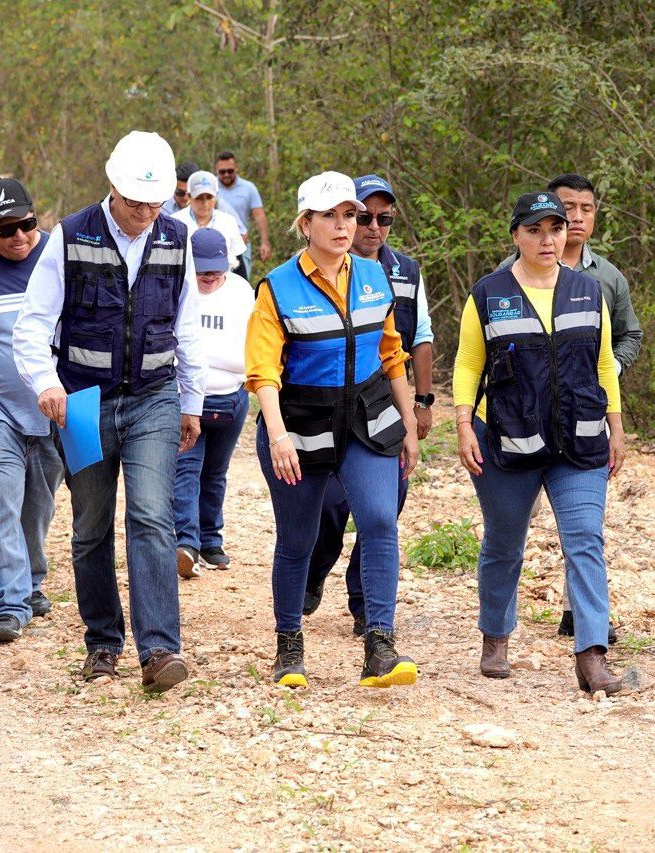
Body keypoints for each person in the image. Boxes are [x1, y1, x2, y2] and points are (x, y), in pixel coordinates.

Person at [13, 131, 204, 692]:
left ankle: (159, 650)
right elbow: (32, 323)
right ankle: (102, 643)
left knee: (151, 515)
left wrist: (191, 402)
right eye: (135, 202)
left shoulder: (177, 239)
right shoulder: (70, 236)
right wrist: (46, 383)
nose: (145, 214)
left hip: (154, 397)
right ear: (112, 189)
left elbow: (187, 325)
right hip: (82, 402)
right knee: (91, 525)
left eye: (155, 203)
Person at [246, 170, 420, 689]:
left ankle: (380, 646)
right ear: (306, 224)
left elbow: (392, 354)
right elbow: (263, 372)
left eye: (350, 215)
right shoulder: (277, 287)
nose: (345, 226)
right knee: (299, 537)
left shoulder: (374, 276)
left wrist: (410, 424)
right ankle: (289, 646)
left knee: (380, 521)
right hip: (300, 425)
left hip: (367, 419)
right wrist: (278, 435)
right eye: (330, 216)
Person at [454, 191, 626, 694]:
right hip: (507, 437)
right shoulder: (488, 294)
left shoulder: (588, 291)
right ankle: (495, 637)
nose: (547, 239)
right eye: (535, 230)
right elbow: (468, 363)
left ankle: (592, 655)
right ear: (516, 236)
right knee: (504, 541)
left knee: (585, 540)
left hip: (579, 439)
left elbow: (603, 363)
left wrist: (616, 426)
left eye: (555, 228)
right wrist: (462, 425)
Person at [498, 172, 643, 640]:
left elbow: (628, 335)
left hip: (582, 415)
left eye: (586, 209)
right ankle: (498, 628)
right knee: (511, 530)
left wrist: (610, 371)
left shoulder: (608, 278)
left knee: (582, 525)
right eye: (567, 209)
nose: (575, 218)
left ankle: (581, 619)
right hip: (520, 421)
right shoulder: (506, 276)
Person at [302, 174, 434, 636]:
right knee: (330, 504)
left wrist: (422, 403)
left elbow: (417, 338)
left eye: (385, 219)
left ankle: (366, 605)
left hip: (385, 404)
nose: (374, 227)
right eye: (365, 217)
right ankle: (314, 569)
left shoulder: (405, 272)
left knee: (384, 506)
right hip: (326, 406)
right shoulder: (308, 273)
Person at [0, 178, 63, 643]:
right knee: (0, 500)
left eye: (27, 224)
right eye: (6, 230)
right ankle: (6, 602)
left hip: (53, 407)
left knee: (39, 504)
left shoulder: (59, 257)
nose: (19, 236)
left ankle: (32, 581)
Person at [172, 228, 254, 578]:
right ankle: (186, 543)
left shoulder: (241, 291)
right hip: (187, 397)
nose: (208, 276)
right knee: (186, 469)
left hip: (232, 397)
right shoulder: (179, 287)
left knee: (216, 472)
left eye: (215, 270)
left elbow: (252, 340)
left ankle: (210, 540)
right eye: (202, 269)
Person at [171, 170, 248, 279]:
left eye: (209, 197)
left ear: (216, 196)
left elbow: (238, 262)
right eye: (199, 198)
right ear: (188, 196)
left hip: (222, 282)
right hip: (186, 282)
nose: (205, 203)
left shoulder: (227, 221)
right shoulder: (175, 222)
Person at [215, 150, 270, 268]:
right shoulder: (211, 188)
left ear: (236, 168)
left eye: (230, 171)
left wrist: (264, 243)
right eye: (222, 171)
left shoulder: (248, 188)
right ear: (216, 170)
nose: (226, 174)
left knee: (241, 278)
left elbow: (259, 215)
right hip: (214, 247)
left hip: (241, 244)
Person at [163, 160, 242, 224]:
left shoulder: (220, 206)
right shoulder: (162, 207)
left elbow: (242, 233)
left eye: (196, 195)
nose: (185, 197)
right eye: (179, 192)